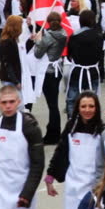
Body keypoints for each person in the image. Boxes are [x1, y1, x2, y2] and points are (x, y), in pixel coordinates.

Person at [45, 92, 105, 209]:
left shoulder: (103, 131)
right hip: (73, 189)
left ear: (96, 108)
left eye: (91, 106)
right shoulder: (71, 127)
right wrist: (50, 176)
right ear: (77, 108)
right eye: (83, 106)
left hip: (95, 190)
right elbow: (61, 152)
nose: (87, 110)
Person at [34, 12, 68, 144]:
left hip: (48, 71)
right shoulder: (63, 33)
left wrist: (37, 41)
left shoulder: (48, 36)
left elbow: (38, 53)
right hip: (57, 68)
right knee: (53, 104)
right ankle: (54, 131)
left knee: (52, 105)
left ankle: (53, 133)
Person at [66, 10, 103, 116]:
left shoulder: (74, 37)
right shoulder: (98, 37)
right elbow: (100, 55)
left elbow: (69, 55)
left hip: (77, 70)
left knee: (72, 99)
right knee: (93, 100)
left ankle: (72, 121)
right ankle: (92, 122)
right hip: (92, 71)